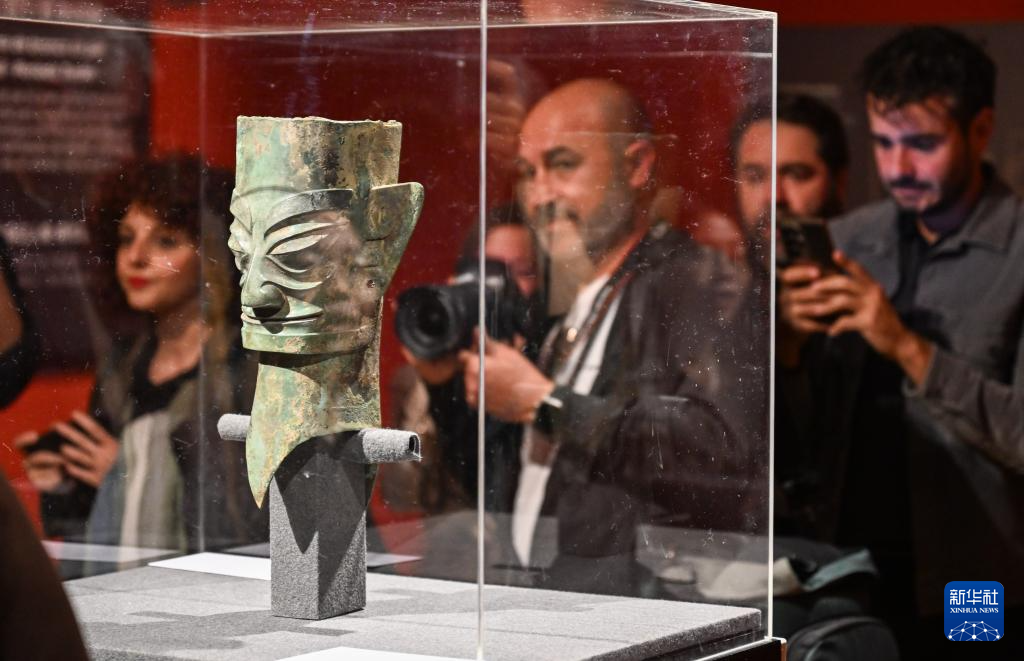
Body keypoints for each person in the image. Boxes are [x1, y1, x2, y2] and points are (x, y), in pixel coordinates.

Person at [459, 78, 761, 597]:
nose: (540, 195)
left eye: (563, 164)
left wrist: (545, 405)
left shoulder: (692, 283)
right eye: (528, 173)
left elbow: (718, 454)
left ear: (638, 166)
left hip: (644, 606)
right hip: (558, 598)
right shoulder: (576, 297)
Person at [778, 27, 1024, 656]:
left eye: (922, 144)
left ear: (980, 130)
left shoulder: (1018, 250)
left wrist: (903, 344)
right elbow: (803, 428)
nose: (897, 169)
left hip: (975, 569)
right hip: (848, 559)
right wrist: (790, 345)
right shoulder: (850, 238)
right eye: (883, 143)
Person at [15, 155, 264, 557]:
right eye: (126, 238)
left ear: (213, 254)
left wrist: (129, 473)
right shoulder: (123, 366)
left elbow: (247, 514)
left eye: (166, 241)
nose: (136, 257)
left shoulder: (246, 367)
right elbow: (98, 528)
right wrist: (63, 482)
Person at [387, 205, 544, 515]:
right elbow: (401, 494)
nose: (501, 287)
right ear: (461, 279)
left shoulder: (550, 368)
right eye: (487, 272)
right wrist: (438, 387)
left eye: (523, 271)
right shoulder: (415, 379)